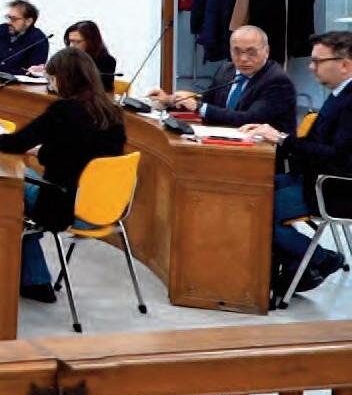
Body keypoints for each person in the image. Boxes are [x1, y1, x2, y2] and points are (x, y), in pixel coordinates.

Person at [0, 47, 127, 303]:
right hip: (105, 208)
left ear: (65, 79)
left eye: (52, 78)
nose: (50, 85)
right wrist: (45, 151)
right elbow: (82, 154)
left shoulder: (62, 111)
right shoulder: (112, 112)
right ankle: (35, 281)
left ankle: (35, 280)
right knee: (23, 190)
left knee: (9, 180)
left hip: (63, 207)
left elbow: (16, 143)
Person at [242, 31, 352, 297]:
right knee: (249, 188)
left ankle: (320, 259)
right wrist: (279, 138)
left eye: (318, 61)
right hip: (312, 178)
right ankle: (292, 265)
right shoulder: (339, 95)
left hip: (334, 189)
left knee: (257, 210)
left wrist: (282, 139)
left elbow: (336, 158)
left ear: (345, 65)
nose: (311, 67)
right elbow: (315, 146)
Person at [147, 25, 296, 135]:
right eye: (237, 51)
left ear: (266, 51)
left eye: (251, 52)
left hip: (264, 155)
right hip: (224, 142)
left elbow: (250, 118)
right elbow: (208, 104)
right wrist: (169, 100)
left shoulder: (277, 81)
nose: (243, 58)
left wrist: (199, 106)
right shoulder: (226, 70)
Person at [55, 20, 117, 92]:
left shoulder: (107, 61)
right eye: (70, 41)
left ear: (91, 42)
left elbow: (105, 91)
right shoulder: (68, 57)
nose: (71, 46)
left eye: (77, 42)